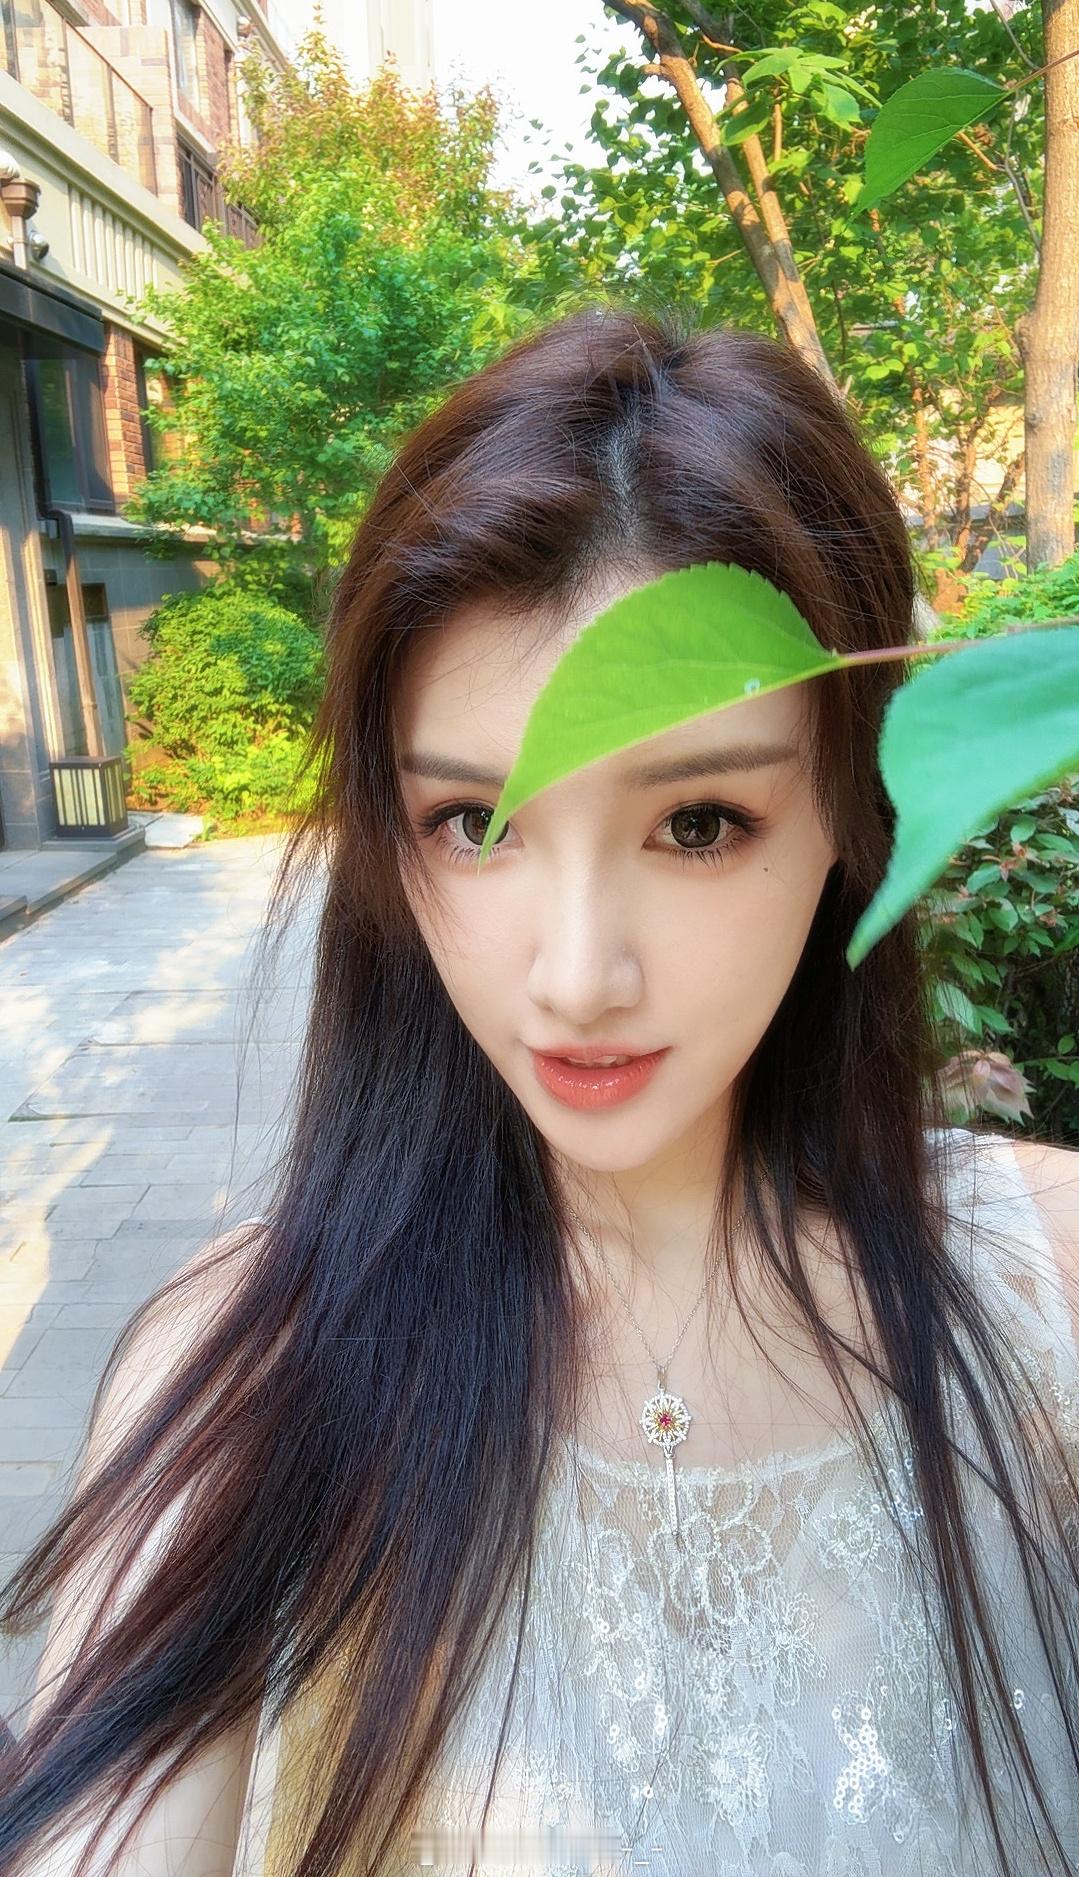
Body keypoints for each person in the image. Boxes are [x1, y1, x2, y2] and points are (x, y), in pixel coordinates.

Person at [1, 306, 1078, 1877]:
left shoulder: (1048, 1292)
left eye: (697, 823)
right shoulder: (245, 1373)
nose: (576, 977)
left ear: (853, 806)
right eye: (477, 823)